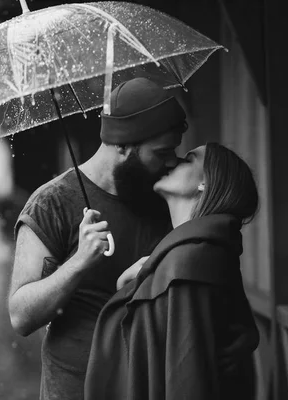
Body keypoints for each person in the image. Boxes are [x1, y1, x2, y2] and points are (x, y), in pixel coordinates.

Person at [8, 77, 189, 400]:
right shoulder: (52, 203)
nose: (172, 161)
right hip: (75, 389)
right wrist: (79, 262)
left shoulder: (163, 198)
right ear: (122, 145)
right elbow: (21, 315)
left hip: (150, 385)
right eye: (162, 152)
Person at [84, 142, 261, 400]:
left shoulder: (191, 262)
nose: (171, 161)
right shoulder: (192, 254)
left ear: (205, 183)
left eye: (189, 159)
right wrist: (128, 286)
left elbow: (187, 378)